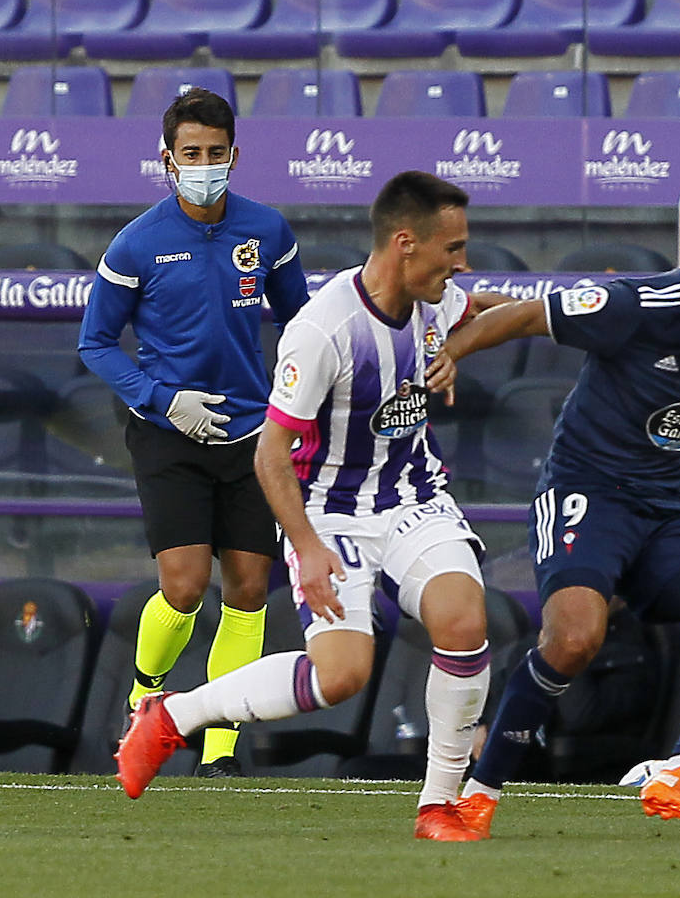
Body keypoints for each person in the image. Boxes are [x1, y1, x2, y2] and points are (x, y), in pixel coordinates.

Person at [115, 171, 508, 842]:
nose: (463, 263)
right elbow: (271, 455)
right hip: (330, 511)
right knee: (343, 674)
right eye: (455, 249)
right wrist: (308, 545)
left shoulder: (436, 300)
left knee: (465, 622)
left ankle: (440, 804)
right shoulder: (324, 329)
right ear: (407, 244)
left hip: (414, 496)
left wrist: (459, 349)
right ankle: (173, 716)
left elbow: (493, 310)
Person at [425, 202, 680, 838]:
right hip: (586, 493)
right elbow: (527, 315)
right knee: (574, 640)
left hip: (659, 513)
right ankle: (478, 794)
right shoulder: (641, 306)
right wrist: (443, 356)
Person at [79, 87, 309, 777]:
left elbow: (303, 326)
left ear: (234, 155)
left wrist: (296, 409)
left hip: (253, 437)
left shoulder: (267, 230)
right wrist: (161, 399)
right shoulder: (137, 242)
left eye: (214, 153)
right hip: (168, 432)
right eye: (190, 154)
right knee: (182, 587)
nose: (203, 164)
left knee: (246, 588)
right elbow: (96, 343)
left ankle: (220, 747)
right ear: (167, 160)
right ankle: (147, 689)